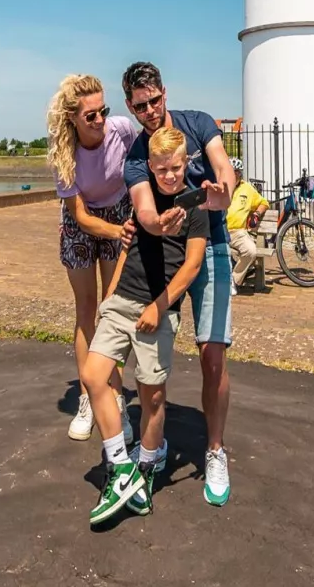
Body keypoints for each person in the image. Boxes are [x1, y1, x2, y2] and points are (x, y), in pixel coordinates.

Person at [121, 61, 236, 506]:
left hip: (213, 246)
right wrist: (156, 223)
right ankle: (154, 445)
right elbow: (143, 206)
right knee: (148, 355)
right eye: (140, 106)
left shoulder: (199, 124)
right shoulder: (135, 156)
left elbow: (224, 168)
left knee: (212, 354)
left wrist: (222, 192)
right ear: (131, 108)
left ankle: (214, 449)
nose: (149, 111)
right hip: (164, 253)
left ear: (164, 94)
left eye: (154, 101)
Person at [79, 125, 208, 525]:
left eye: (176, 167)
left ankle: (148, 465)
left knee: (152, 398)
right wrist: (110, 295)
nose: (169, 175)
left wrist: (160, 305)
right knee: (93, 375)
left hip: (158, 309)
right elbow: (126, 249)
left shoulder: (194, 208)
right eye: (162, 168)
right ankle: (120, 468)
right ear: (150, 167)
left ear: (185, 163)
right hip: (123, 300)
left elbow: (192, 265)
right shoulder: (143, 202)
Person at [46, 75, 138, 442]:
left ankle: (115, 400)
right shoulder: (63, 155)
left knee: (111, 311)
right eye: (90, 116)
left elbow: (139, 168)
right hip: (82, 223)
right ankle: (88, 397)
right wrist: (117, 233)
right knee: (86, 311)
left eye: (103, 111)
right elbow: (81, 216)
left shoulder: (123, 131)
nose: (100, 120)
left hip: (118, 212)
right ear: (72, 118)